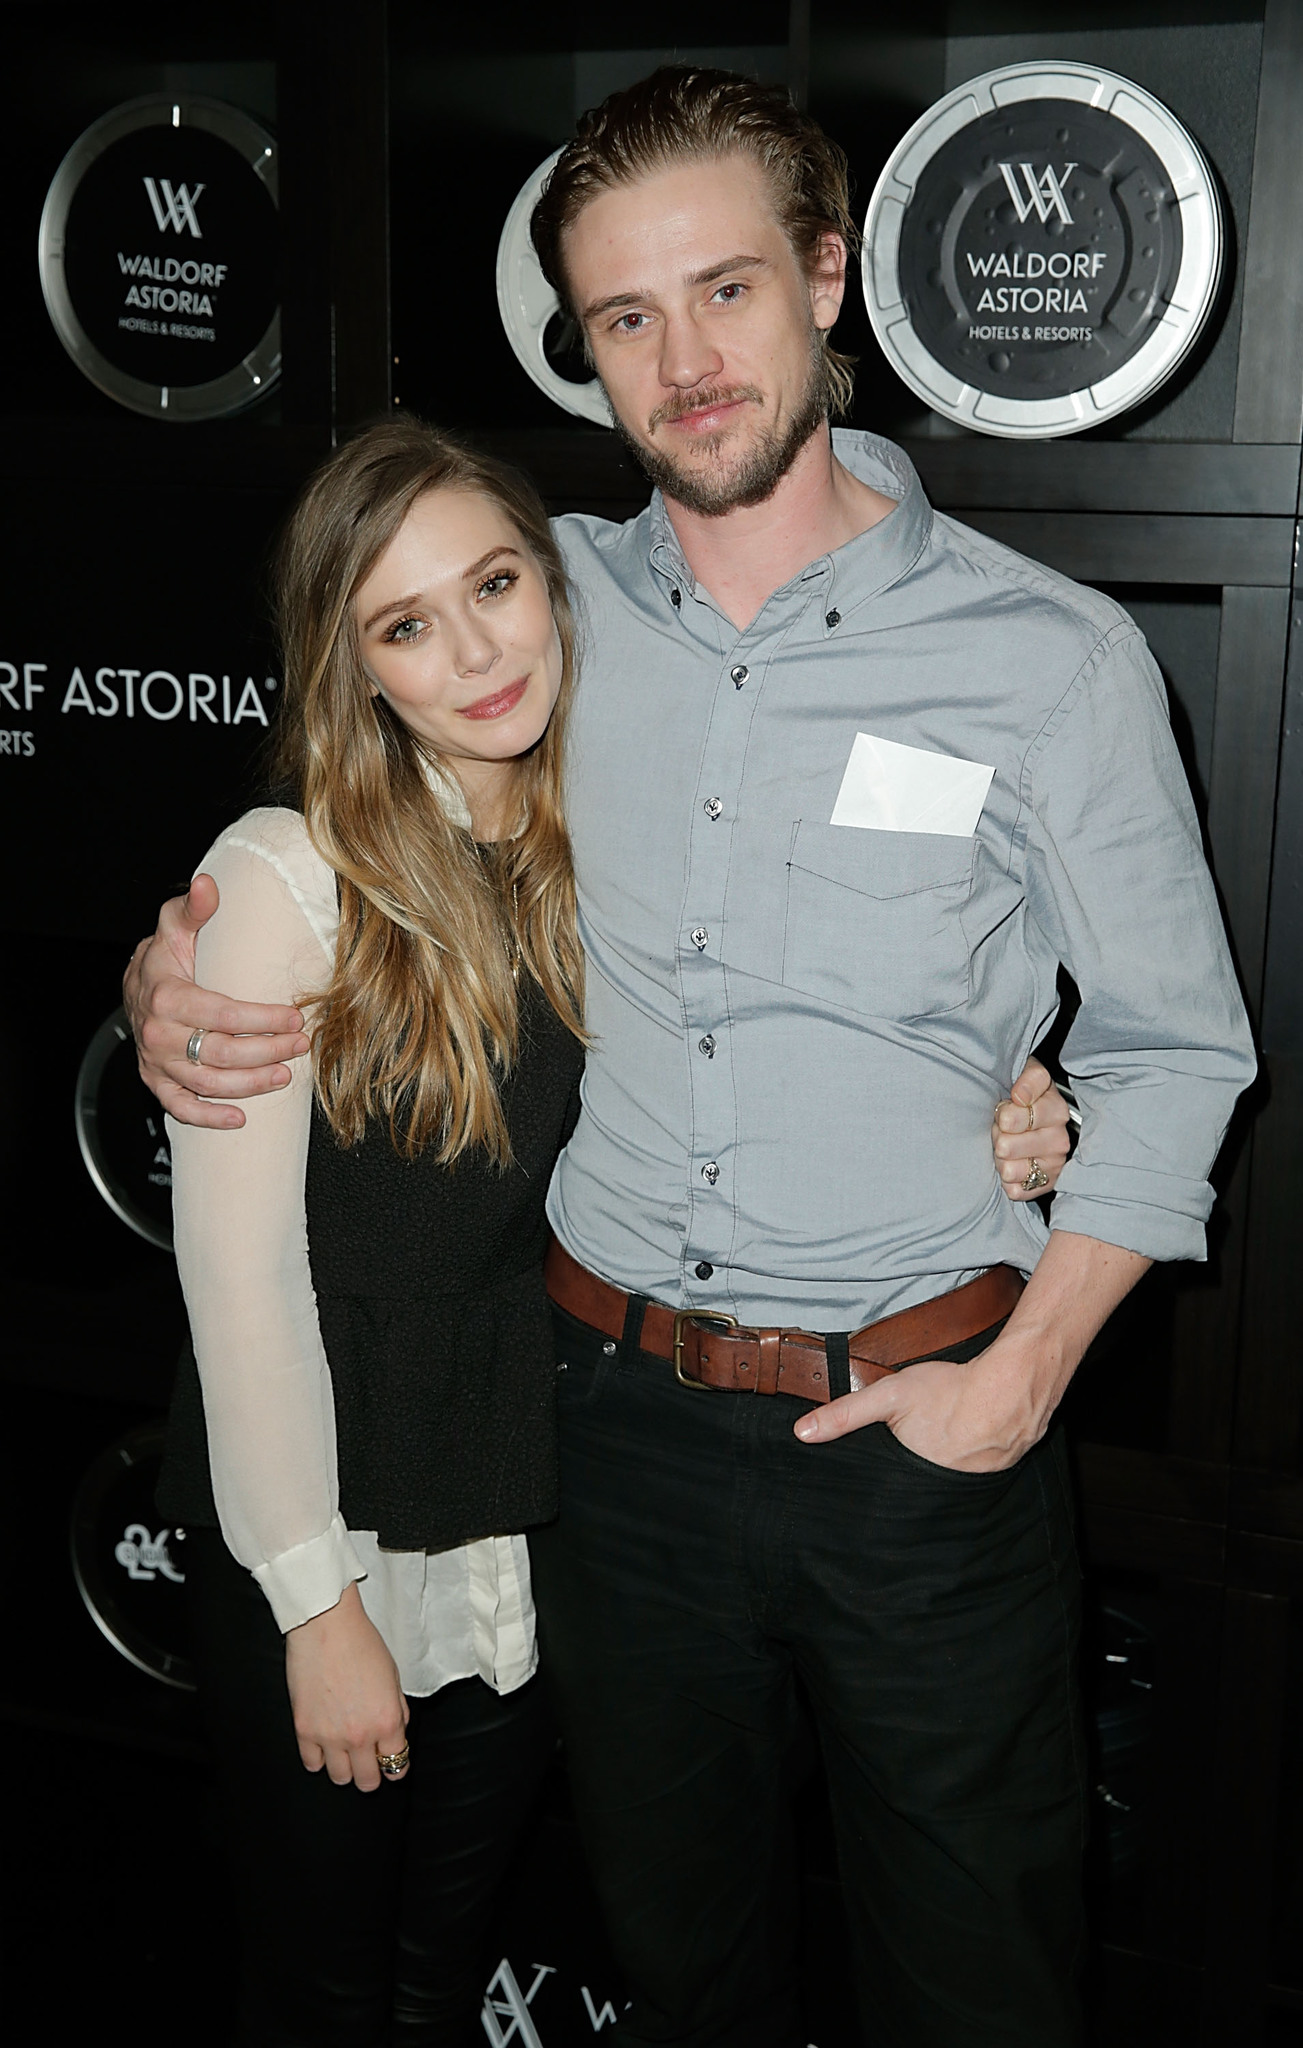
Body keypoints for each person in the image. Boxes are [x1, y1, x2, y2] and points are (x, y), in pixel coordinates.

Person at [120, 64, 1242, 2048]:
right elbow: (350, 830)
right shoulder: (548, 608)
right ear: (582, 348)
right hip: (603, 1441)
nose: (685, 360)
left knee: (982, 1978)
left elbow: (1171, 1045)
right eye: (626, 316)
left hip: (926, 1428)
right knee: (677, 1968)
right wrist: (172, 977)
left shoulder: (1047, 657)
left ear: (827, 278)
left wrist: (1029, 1373)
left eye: (725, 290)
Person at [154, 422, 590, 2045]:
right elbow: (244, 1285)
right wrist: (314, 1605)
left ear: (551, 579)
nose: (475, 650)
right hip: (322, 1531)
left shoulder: (588, 842)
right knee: (327, 1997)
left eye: (493, 584)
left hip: (507, 1511)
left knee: (434, 1983)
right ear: (356, 670)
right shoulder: (285, 879)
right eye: (409, 624)